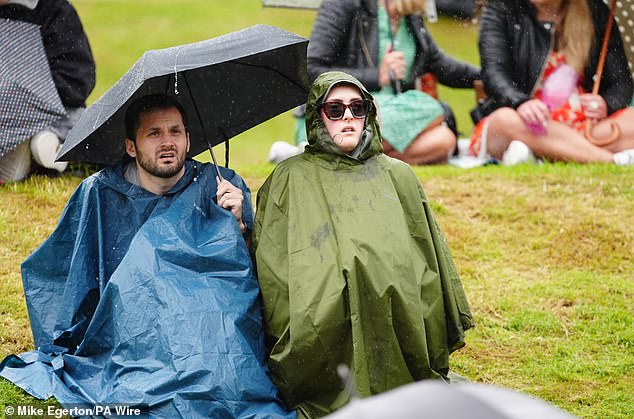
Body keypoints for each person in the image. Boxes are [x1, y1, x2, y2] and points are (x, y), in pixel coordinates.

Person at [0, 94, 294, 418]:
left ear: (188, 138)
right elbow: (62, 273)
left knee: (223, 377)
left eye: (175, 132)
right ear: (130, 146)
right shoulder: (101, 193)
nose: (167, 142)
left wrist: (239, 225)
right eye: (154, 134)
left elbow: (252, 279)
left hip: (213, 328)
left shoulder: (220, 187)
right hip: (136, 331)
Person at [253, 72, 473, 418]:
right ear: (316, 115)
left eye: (358, 108)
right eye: (335, 110)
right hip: (318, 335)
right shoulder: (289, 179)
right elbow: (274, 271)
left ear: (370, 113)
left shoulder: (399, 176)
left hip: (398, 321)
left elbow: (429, 260)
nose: (348, 118)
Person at [306, 0, 480, 165]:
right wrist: (376, 76)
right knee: (431, 107)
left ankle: (346, 159)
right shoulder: (346, 4)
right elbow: (311, 68)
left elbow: (442, 65)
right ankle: (333, 148)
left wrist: (488, 77)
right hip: (344, 113)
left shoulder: (409, 15)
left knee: (443, 139)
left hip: (395, 114)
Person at [470, 0, 634, 165]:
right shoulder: (502, 8)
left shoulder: (595, 11)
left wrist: (607, 104)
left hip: (583, 125)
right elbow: (493, 74)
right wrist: (521, 102)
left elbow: (621, 83)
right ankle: (610, 160)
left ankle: (545, 152)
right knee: (505, 120)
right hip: (525, 122)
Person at [0, 0, 95, 181]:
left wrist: (23, 97)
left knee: (44, 142)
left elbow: (78, 79)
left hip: (50, 110)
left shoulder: (54, 10)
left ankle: (47, 148)